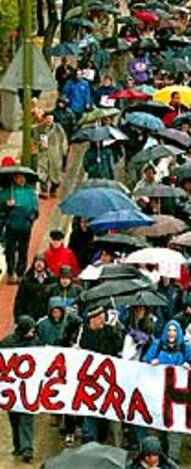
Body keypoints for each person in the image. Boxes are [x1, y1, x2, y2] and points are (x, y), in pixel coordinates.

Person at [143, 320, 191, 463]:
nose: (172, 333)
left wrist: (188, 365)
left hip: (177, 395)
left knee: (174, 425)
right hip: (158, 393)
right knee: (157, 425)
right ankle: (157, 455)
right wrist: (152, 362)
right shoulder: (157, 344)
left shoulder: (185, 347)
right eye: (169, 330)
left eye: (174, 330)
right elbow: (145, 360)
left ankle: (173, 457)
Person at [79, 305, 124, 444]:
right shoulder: (85, 335)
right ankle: (89, 437)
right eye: (100, 318)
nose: (102, 320)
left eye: (103, 317)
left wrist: (116, 333)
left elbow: (118, 347)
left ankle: (102, 437)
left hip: (107, 379)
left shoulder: (110, 331)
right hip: (90, 380)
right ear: (92, 319)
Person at [0, 316, 40, 462]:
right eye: (30, 329)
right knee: (15, 419)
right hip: (11, 389)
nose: (32, 332)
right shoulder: (7, 343)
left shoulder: (35, 343)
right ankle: (18, 446)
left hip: (28, 389)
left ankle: (27, 449)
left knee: (27, 419)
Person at [0, 172, 39, 283]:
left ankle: (20, 272)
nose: (21, 180)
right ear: (14, 179)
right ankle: (11, 272)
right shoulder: (8, 191)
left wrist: (31, 218)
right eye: (18, 178)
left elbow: (35, 209)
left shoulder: (30, 192)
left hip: (25, 226)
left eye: (23, 178)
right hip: (11, 225)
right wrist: (6, 205)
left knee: (23, 249)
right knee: (10, 250)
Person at [14, 253, 55, 321]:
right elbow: (20, 300)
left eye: (41, 262)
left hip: (46, 317)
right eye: (37, 262)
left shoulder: (52, 280)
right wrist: (18, 317)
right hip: (30, 316)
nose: (39, 265)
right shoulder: (26, 280)